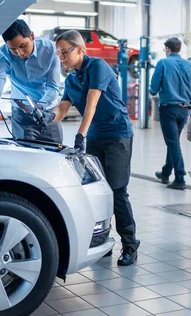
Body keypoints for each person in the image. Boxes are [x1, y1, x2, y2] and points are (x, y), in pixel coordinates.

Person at [47, 30, 140, 266]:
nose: (61, 58)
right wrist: (45, 119)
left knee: (118, 191)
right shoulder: (71, 79)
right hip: (96, 136)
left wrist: (80, 135)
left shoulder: (97, 66)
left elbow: (92, 103)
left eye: (65, 52)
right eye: (58, 54)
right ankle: (103, 242)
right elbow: (63, 108)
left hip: (118, 135)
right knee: (99, 190)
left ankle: (130, 245)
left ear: (80, 49)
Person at [0, 19, 63, 143]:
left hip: (49, 112)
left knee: (55, 154)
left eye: (23, 45)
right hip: (22, 114)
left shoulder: (50, 50)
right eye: (13, 49)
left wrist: (38, 107)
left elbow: (53, 87)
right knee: (25, 155)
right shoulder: (4, 55)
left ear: (32, 36)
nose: (20, 53)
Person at [149, 37, 191, 190]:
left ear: (167, 48)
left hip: (168, 109)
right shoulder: (190, 66)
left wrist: (157, 91)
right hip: (184, 110)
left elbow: (153, 88)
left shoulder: (163, 63)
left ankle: (180, 178)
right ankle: (165, 173)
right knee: (173, 142)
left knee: (172, 143)